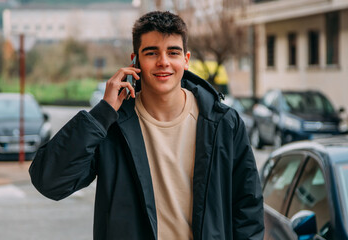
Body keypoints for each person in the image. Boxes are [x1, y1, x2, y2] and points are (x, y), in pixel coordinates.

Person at [29, 11, 264, 240]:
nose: (163, 62)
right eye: (152, 53)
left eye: (173, 52)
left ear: (186, 60)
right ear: (135, 60)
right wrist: (101, 114)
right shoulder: (112, 127)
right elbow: (49, 181)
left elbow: (248, 210)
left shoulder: (223, 123)